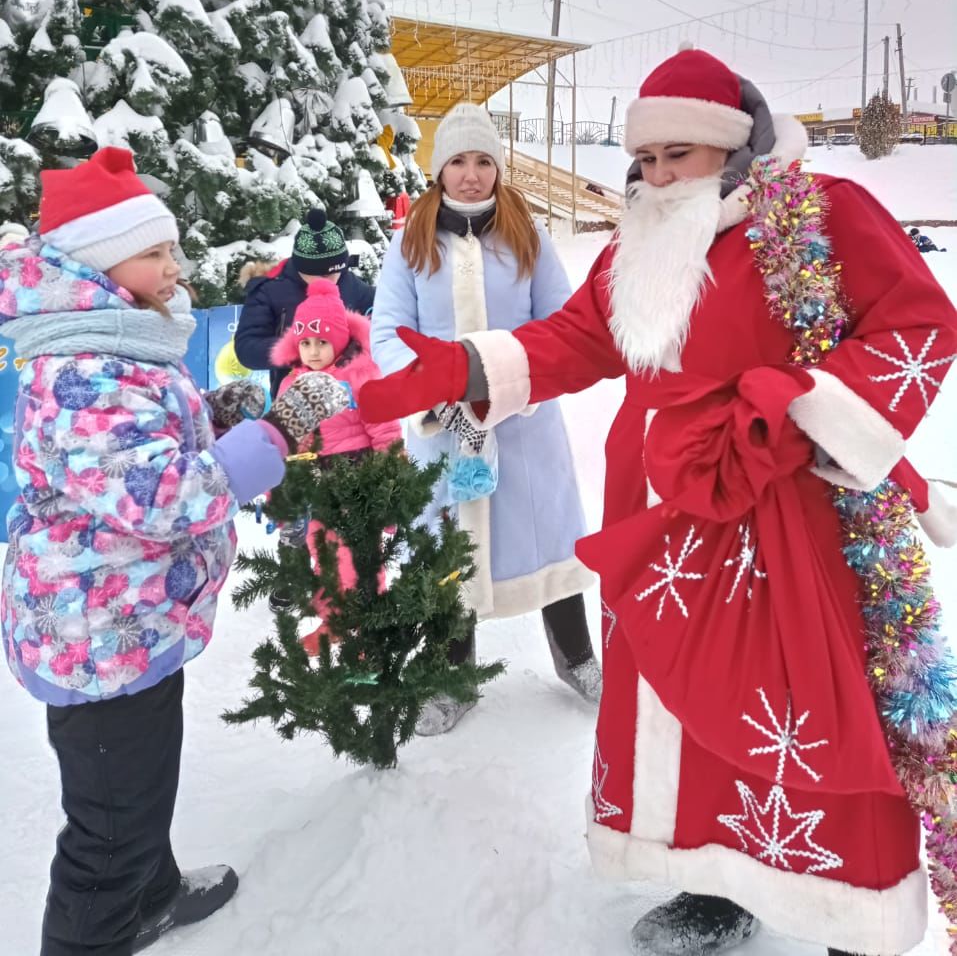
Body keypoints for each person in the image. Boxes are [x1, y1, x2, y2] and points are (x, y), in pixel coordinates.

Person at [358, 49, 957, 956]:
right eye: (644, 159)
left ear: (732, 148)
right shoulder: (637, 240)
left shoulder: (818, 214)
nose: (657, 174)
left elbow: (916, 324)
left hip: (785, 513)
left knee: (809, 704)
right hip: (665, 522)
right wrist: (471, 366)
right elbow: (574, 337)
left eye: (678, 154)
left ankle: (849, 909)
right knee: (682, 703)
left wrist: (799, 418)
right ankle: (715, 879)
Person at [0, 148, 348, 956]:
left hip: (131, 619)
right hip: (98, 634)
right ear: (95, 261)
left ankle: (152, 894)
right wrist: (278, 433)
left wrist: (216, 419)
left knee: (140, 788)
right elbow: (161, 497)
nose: (174, 265)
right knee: (107, 832)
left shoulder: (112, 338)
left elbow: (148, 447)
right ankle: (93, 935)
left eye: (170, 248)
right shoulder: (85, 366)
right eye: (154, 251)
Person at [370, 102, 600, 736]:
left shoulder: (527, 233)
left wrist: (518, 381)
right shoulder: (411, 240)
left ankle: (577, 659)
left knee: (549, 540)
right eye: (457, 162)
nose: (471, 175)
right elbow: (388, 330)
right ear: (438, 169)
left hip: (523, 421)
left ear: (498, 168)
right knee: (449, 551)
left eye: (482, 162)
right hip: (443, 429)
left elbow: (562, 322)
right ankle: (451, 679)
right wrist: (429, 393)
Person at [269, 277, 402, 641]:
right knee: (322, 552)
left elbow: (385, 431)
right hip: (314, 483)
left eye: (322, 342)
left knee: (357, 554)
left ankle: (368, 627)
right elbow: (283, 437)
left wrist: (390, 480)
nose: (312, 351)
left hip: (355, 478)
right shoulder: (292, 382)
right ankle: (335, 621)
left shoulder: (360, 376)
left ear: (340, 340)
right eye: (305, 342)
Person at [235, 206, 376, 398]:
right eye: (318, 274)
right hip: (294, 401)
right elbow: (246, 349)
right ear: (300, 267)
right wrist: (301, 347)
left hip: (347, 400)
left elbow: (381, 324)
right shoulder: (271, 289)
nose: (328, 280)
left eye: (334, 272)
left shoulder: (351, 285)